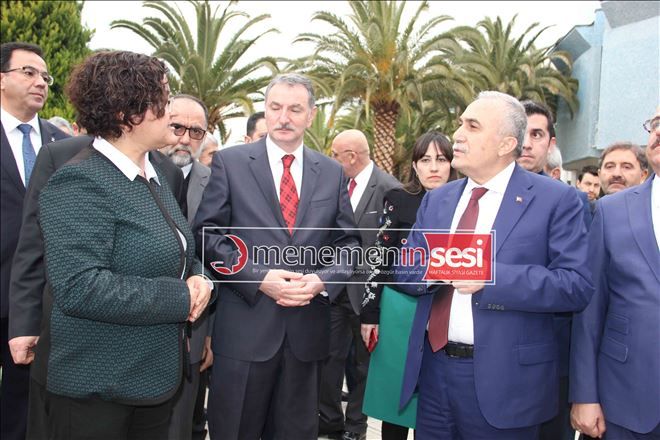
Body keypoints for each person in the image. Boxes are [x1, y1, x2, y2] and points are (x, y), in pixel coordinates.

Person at [35, 50, 212, 439]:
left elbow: (180, 251)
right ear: (126, 114)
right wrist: (181, 297)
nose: (171, 110)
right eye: (163, 99)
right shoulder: (80, 182)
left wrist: (201, 278)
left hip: (151, 383)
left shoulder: (155, 176)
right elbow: (80, 286)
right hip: (97, 391)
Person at [396, 91, 593, 439]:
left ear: (506, 144)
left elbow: (574, 285)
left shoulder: (556, 200)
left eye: (472, 126)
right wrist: (437, 268)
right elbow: (405, 269)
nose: (458, 135)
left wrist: (490, 277)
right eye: (460, 124)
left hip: (508, 385)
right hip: (434, 376)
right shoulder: (438, 200)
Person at [194, 73, 360, 440]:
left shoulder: (331, 172)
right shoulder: (231, 163)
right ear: (266, 111)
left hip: (305, 337)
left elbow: (349, 245)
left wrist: (322, 280)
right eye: (275, 107)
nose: (284, 117)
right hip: (244, 334)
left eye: (295, 109)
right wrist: (258, 278)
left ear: (311, 116)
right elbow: (207, 236)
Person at [570, 108, 660, 439]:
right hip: (625, 401)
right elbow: (590, 310)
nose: (659, 132)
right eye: (656, 124)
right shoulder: (611, 211)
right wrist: (585, 395)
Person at [361, 131, 457, 440]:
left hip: (449, 310)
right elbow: (380, 256)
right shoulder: (398, 199)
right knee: (396, 402)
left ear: (452, 163)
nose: (434, 167)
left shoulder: (467, 202)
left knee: (438, 402)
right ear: (414, 166)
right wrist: (370, 313)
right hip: (400, 310)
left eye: (441, 159)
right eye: (425, 160)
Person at [0, 41, 68, 440]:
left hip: (43, 299)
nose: (40, 81)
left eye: (45, 76)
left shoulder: (64, 145)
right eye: (28, 72)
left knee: (26, 408)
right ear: (2, 79)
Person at [319, 129, 400, 440]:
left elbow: (392, 248)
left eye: (335, 155)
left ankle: (356, 427)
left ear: (351, 157)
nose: (331, 160)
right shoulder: (334, 185)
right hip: (333, 291)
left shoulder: (390, 188)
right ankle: (329, 421)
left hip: (368, 296)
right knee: (327, 360)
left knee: (363, 367)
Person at [163, 94, 214, 440]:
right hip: (132, 327)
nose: (184, 138)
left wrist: (210, 334)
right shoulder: (136, 170)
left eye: (196, 132)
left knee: (182, 423)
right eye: (177, 127)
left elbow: (218, 261)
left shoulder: (217, 182)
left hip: (196, 327)